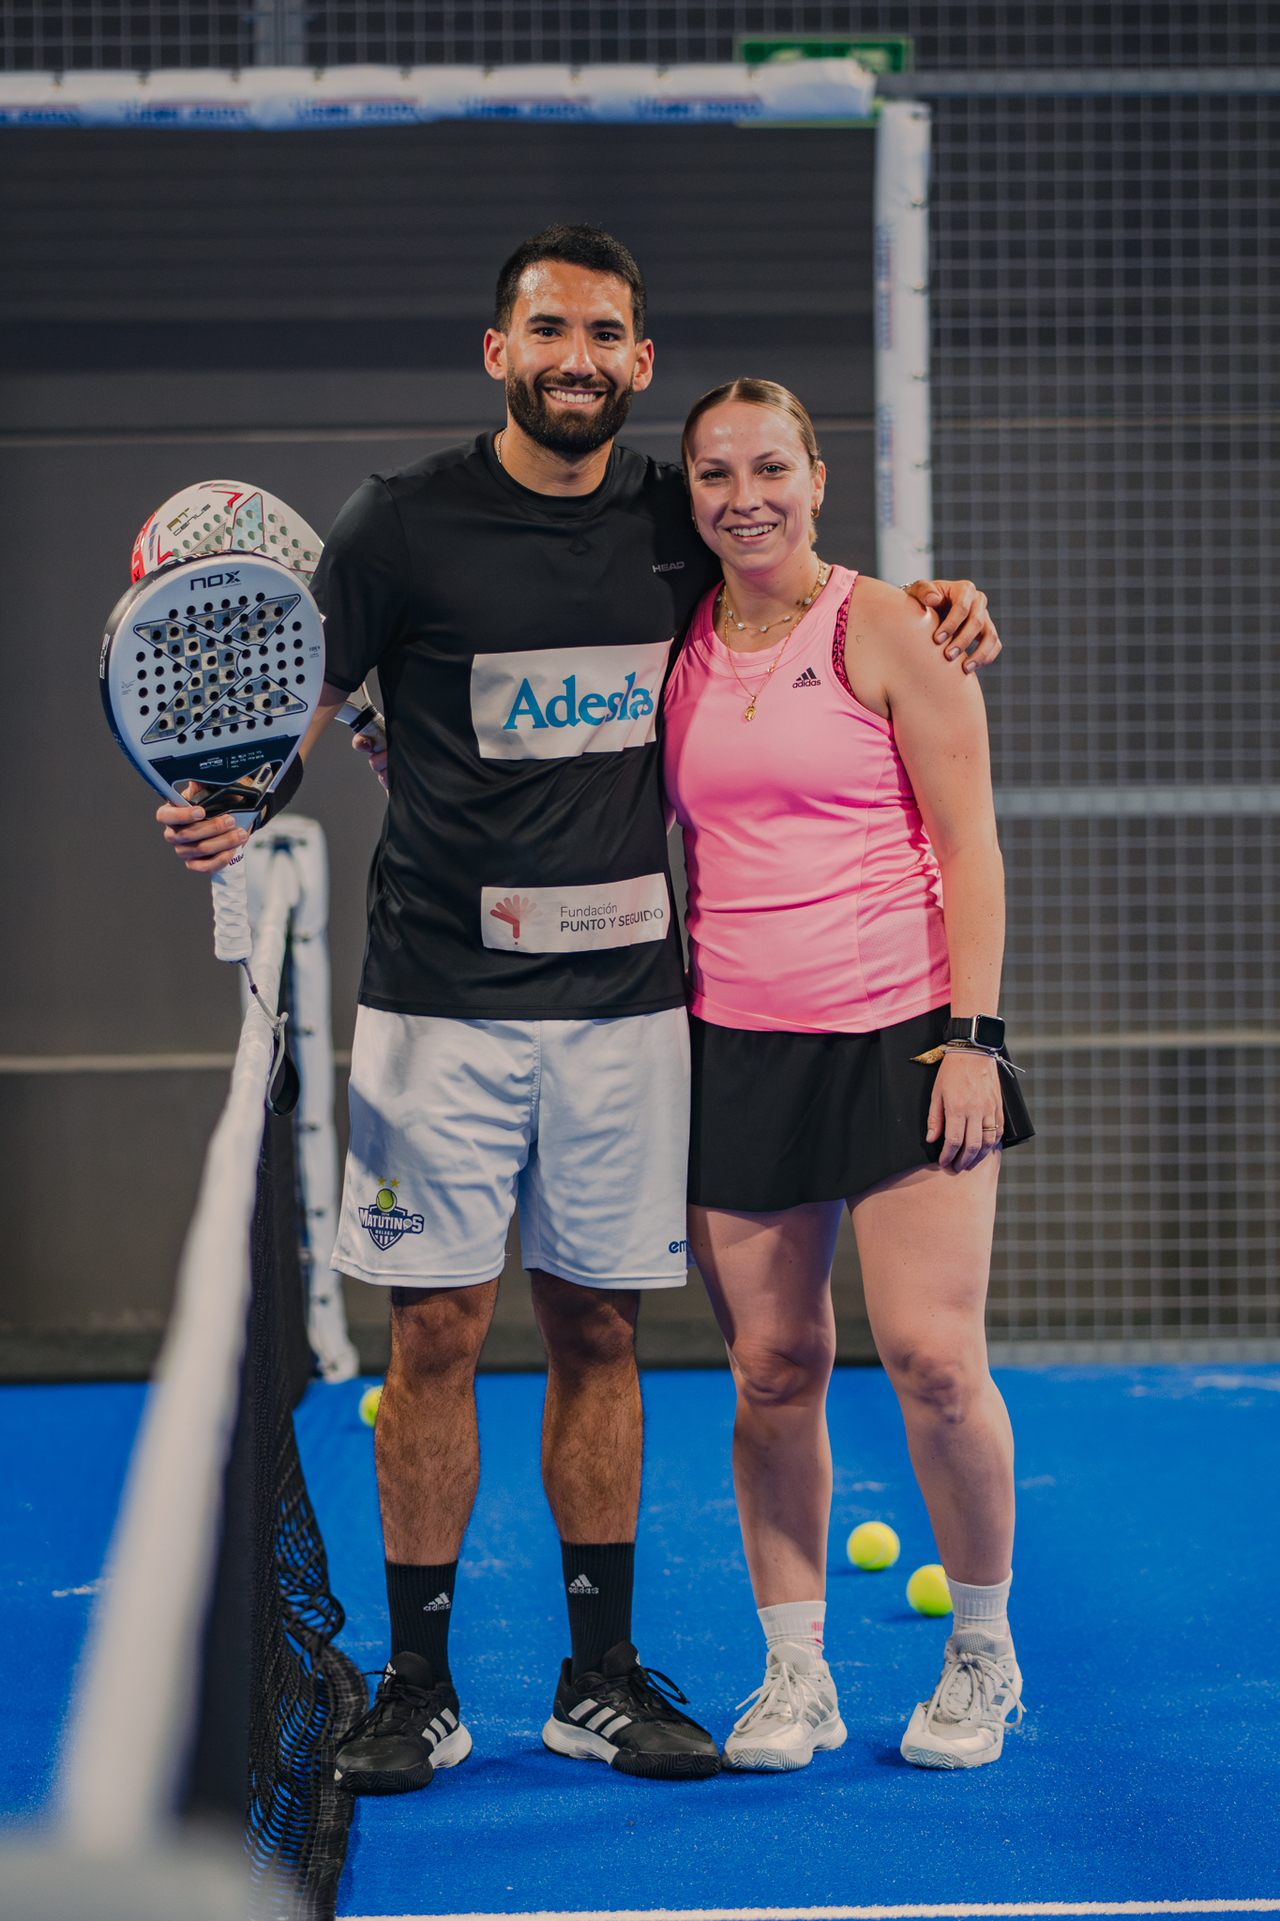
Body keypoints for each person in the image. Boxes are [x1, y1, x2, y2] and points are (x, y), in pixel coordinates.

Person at [156, 230, 1002, 1793]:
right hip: (438, 1009)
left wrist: (938, 605)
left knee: (600, 1329)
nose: (577, 357)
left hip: (627, 1014)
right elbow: (293, 710)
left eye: (605, 333)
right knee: (433, 1333)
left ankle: (598, 1677)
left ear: (639, 360)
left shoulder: (678, 522)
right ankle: (417, 1684)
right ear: (500, 351)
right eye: (548, 329)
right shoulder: (400, 525)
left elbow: (802, 573)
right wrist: (225, 802)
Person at [662, 377, 1033, 1775]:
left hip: (905, 1040)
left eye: (771, 467)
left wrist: (975, 1039)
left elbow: (972, 843)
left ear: (818, 478)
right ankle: (796, 1673)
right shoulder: (675, 645)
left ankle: (983, 1652)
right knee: (773, 1367)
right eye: (715, 473)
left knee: (933, 1358)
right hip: (736, 1044)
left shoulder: (892, 627)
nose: (744, 496)